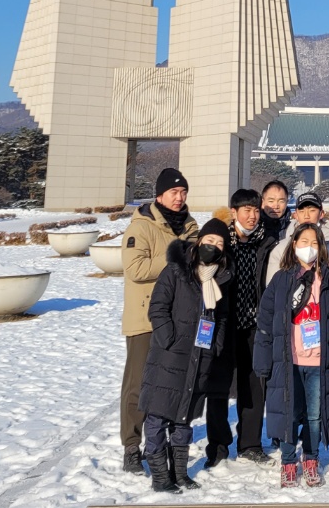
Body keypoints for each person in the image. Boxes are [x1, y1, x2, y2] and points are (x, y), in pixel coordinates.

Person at [254, 222, 329, 489]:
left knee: (314, 415)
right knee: (289, 412)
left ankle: (310, 458)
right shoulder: (281, 280)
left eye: (314, 243)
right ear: (293, 245)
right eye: (303, 242)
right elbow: (265, 323)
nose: (308, 248)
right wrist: (262, 360)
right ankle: (288, 461)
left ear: (321, 247)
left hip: (319, 362)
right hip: (289, 361)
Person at [138, 218, 232, 492]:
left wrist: (214, 346)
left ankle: (179, 474)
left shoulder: (220, 278)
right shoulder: (176, 271)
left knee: (184, 418)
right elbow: (158, 307)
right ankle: (159, 477)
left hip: (200, 358)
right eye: (209, 240)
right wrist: (169, 339)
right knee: (157, 416)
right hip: (169, 356)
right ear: (199, 240)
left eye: (219, 243)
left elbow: (221, 318)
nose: (213, 246)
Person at [120, 168, 198, 473]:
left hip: (180, 319)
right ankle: (131, 445)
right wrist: (174, 255)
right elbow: (135, 269)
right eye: (173, 193)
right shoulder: (142, 227)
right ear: (159, 195)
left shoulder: (191, 226)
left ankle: (161, 440)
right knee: (138, 384)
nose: (179, 198)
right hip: (145, 318)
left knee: (171, 384)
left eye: (183, 192)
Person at [216, 188, 280, 466]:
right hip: (225, 326)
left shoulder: (265, 242)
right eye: (246, 210)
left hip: (255, 327)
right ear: (234, 212)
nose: (252, 216)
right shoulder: (222, 243)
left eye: (256, 210)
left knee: (255, 386)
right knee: (218, 388)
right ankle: (217, 445)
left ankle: (250, 443)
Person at [265, 192, 329, 285]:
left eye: (312, 210)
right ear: (295, 214)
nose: (306, 215)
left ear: (321, 214)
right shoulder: (281, 248)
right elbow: (272, 287)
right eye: (301, 211)